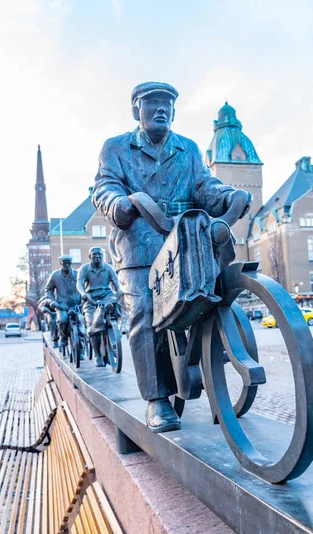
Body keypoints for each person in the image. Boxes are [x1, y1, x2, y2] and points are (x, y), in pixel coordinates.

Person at [92, 81, 252, 433]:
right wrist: (120, 205)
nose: (161, 109)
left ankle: (210, 370)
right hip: (138, 246)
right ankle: (157, 400)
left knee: (211, 294)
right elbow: (104, 187)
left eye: (167, 103)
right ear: (137, 110)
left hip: (184, 240)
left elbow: (203, 186)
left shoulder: (188, 148)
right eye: (152, 103)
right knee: (144, 313)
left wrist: (227, 197)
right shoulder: (116, 148)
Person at [77, 247, 122, 367]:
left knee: (114, 306)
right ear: (90, 256)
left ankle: (113, 329)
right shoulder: (84, 269)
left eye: (99, 255)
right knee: (92, 328)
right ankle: (97, 355)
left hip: (106, 296)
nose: (97, 257)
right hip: (91, 299)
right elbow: (79, 283)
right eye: (94, 255)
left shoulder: (108, 268)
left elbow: (115, 280)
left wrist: (119, 290)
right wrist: (83, 294)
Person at [44, 255, 85, 356]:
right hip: (62, 305)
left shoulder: (77, 274)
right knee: (62, 320)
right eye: (64, 263)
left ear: (71, 263)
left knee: (81, 324)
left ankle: (81, 350)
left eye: (68, 263)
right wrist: (53, 301)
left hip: (76, 305)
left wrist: (84, 297)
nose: (67, 265)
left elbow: (84, 286)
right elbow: (48, 290)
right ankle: (63, 337)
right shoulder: (55, 275)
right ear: (61, 263)